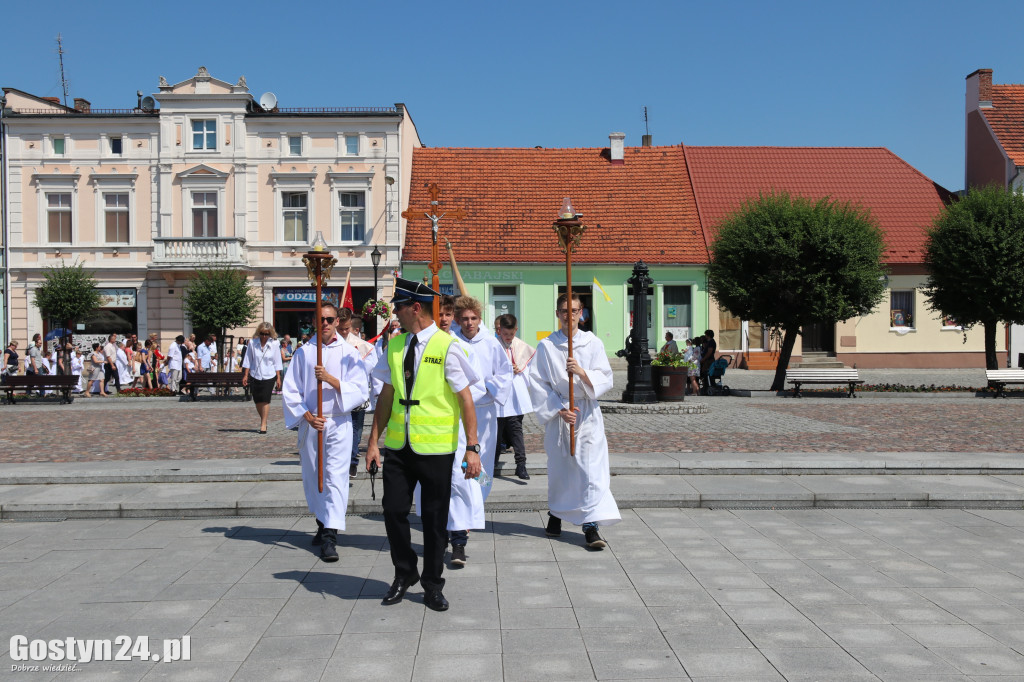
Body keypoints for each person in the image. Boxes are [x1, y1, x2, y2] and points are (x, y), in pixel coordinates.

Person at [366, 278, 481, 612]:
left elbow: (466, 399)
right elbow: (386, 395)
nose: (395, 315)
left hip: (436, 449)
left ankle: (432, 583)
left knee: (433, 519)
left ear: (414, 308)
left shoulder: (448, 345)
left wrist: (472, 448)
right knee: (393, 511)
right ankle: (405, 573)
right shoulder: (396, 345)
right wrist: (374, 442)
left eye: (399, 308)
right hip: (399, 446)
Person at [528, 291, 620, 548]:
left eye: (575, 311)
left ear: (582, 314)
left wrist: (581, 372)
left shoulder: (593, 343)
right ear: (558, 314)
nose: (570, 316)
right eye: (564, 311)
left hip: (586, 412)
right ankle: (556, 513)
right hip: (561, 414)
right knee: (561, 469)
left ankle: (591, 525)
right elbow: (537, 383)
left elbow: (606, 377)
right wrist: (558, 408)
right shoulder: (547, 346)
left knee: (589, 469)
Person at [282, 304, 368, 562]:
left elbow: (360, 390)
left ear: (337, 321)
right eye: (322, 319)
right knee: (313, 476)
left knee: (335, 477)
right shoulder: (304, 353)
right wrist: (307, 415)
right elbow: (291, 390)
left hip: (338, 423)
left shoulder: (348, 353)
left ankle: (330, 534)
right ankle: (322, 522)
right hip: (312, 422)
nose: (327, 323)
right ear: (315, 321)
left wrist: (331, 379)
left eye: (331, 319)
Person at [495, 314, 534, 480]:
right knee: (495, 433)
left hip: (515, 396)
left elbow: (531, 366)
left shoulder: (520, 345)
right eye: (505, 334)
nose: (508, 338)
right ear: (499, 331)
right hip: (498, 397)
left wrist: (521, 369)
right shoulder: (493, 344)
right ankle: (492, 463)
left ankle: (521, 464)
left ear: (515, 330)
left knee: (516, 431)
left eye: (511, 334)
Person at [339, 309, 375, 478]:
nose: (343, 333)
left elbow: (370, 367)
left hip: (356, 393)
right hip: (338, 393)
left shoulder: (362, 345)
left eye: (346, 329)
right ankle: (342, 460)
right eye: (341, 329)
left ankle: (352, 461)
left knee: (356, 428)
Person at [242, 322, 283, 434]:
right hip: (255, 374)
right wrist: (245, 375)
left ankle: (263, 423)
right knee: (257, 399)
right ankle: (263, 419)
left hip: (269, 375)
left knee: (265, 399)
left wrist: (278, 378)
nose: (264, 336)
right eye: (262, 333)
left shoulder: (274, 343)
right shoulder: (252, 343)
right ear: (258, 332)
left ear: (270, 334)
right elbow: (248, 360)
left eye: (267, 334)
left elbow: (277, 361)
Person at [700, 329, 717, 395]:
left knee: (706, 373)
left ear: (708, 335)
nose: (705, 336)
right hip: (707, 360)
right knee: (705, 374)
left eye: (706, 334)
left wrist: (703, 359)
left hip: (709, 360)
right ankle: (705, 387)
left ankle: (707, 387)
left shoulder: (711, 342)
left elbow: (709, 352)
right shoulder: (709, 342)